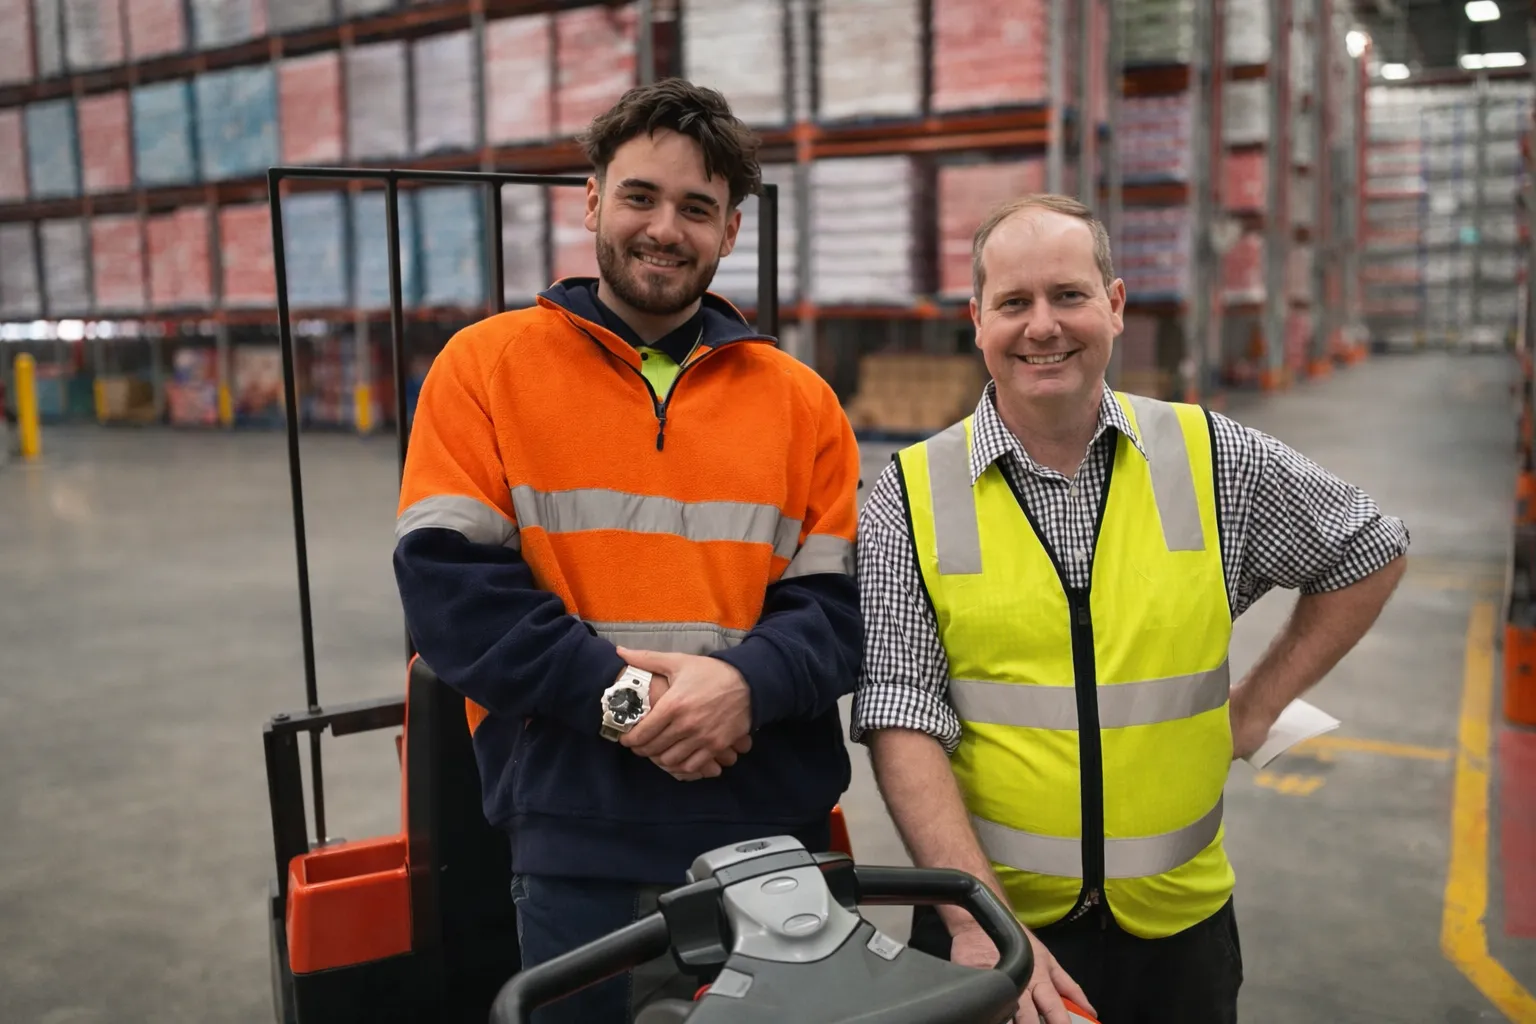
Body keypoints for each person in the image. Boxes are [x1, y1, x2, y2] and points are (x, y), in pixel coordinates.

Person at [851, 193, 1409, 1024]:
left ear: (1113, 306)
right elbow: (902, 713)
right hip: (991, 936)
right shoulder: (909, 494)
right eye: (1014, 303)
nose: (1043, 326)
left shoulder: (1211, 456)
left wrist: (1254, 708)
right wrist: (975, 921)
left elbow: (1369, 547)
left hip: (1179, 935)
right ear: (977, 321)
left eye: (1068, 295)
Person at [392, 79, 863, 1023]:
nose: (665, 228)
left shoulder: (799, 400)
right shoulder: (484, 368)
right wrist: (632, 704)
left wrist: (743, 688)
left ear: (730, 232)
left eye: (698, 208)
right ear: (594, 200)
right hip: (577, 844)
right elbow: (451, 592)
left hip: (775, 839)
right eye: (641, 196)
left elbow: (836, 611)